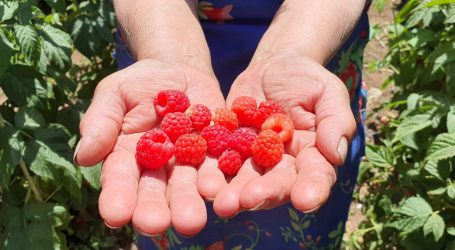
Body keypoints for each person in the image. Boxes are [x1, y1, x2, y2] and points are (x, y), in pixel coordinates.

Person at [73, 0, 370, 249]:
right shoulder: (184, 119)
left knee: (299, 208)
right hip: (160, 29)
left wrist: (296, 50)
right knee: (170, 215)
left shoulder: (266, 119)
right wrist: (167, 51)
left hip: (315, 40)